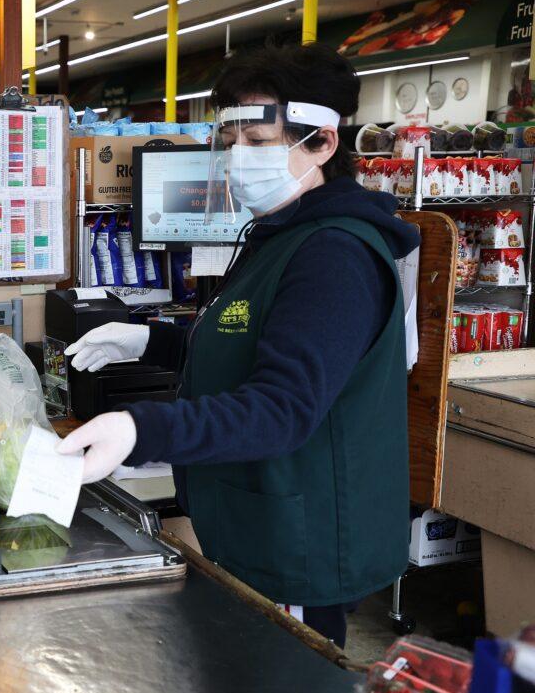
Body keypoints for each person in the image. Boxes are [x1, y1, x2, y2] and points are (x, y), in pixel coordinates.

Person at [58, 43, 420, 648]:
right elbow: (250, 340)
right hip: (262, 522)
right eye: (231, 143)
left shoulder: (335, 254)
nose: (237, 160)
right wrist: (150, 339)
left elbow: (283, 408)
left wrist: (142, 429)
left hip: (302, 543)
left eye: (257, 142)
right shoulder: (279, 234)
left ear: (323, 143)